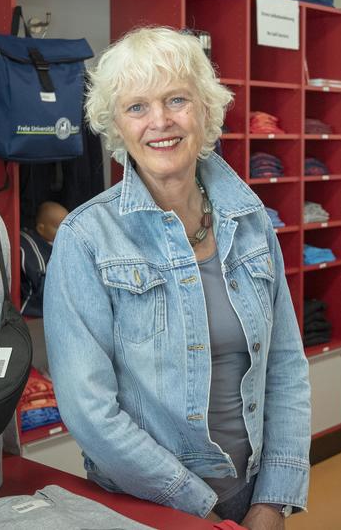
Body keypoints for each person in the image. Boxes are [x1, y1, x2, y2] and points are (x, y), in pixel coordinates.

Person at [44, 27, 310, 528]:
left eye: (177, 100)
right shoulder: (86, 239)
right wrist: (198, 507)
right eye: (137, 107)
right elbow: (88, 410)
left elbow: (286, 368)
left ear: (205, 110)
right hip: (151, 506)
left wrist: (273, 499)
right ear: (115, 126)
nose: (160, 122)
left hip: (251, 497)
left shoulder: (250, 220)